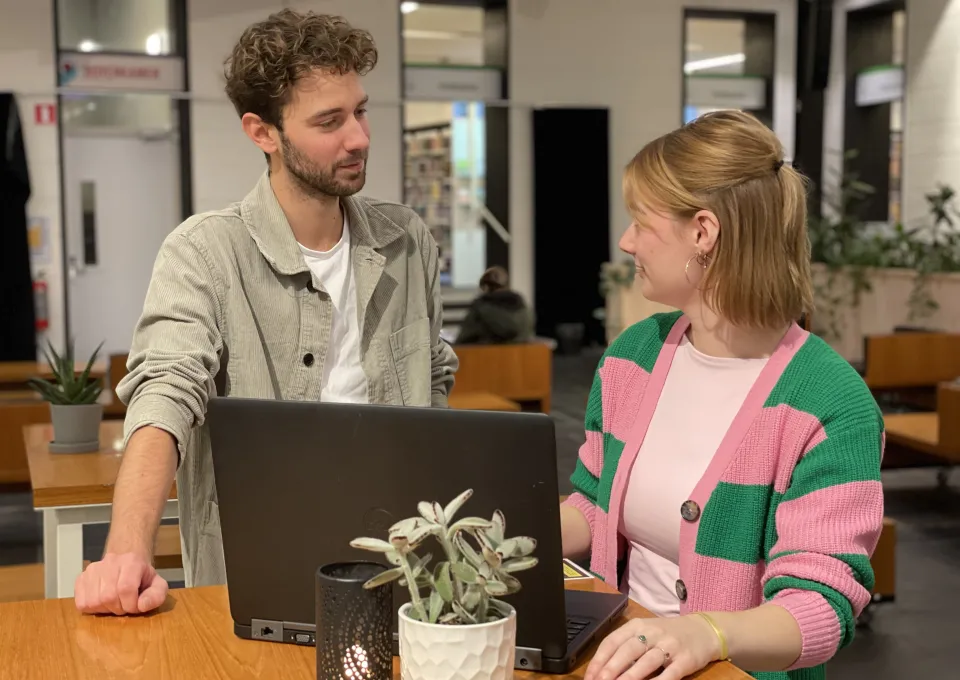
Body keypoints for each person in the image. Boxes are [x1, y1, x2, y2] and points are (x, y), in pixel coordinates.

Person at [73, 10, 458, 616]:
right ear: (263, 132)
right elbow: (166, 391)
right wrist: (125, 549)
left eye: (359, 111)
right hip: (262, 554)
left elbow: (433, 380)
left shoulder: (407, 241)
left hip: (398, 553)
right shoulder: (205, 251)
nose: (358, 137)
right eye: (329, 121)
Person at [560, 111, 884, 680]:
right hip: (616, 662)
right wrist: (498, 533)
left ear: (703, 233)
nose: (626, 239)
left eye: (641, 221)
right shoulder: (633, 356)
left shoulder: (831, 403)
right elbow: (594, 503)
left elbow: (821, 607)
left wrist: (706, 633)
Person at [455, 266, 534, 345]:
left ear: (485, 287)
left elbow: (463, 340)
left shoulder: (480, 307)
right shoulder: (523, 306)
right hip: (523, 356)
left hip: (487, 356)